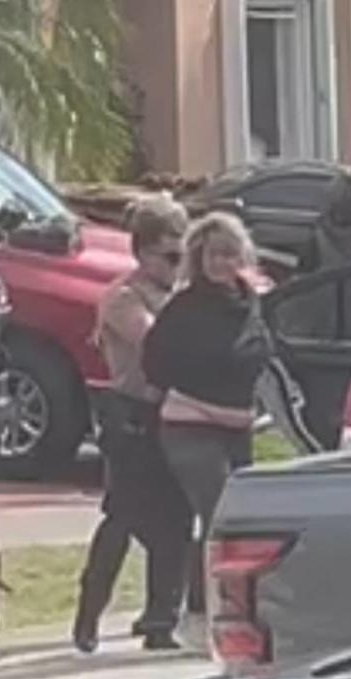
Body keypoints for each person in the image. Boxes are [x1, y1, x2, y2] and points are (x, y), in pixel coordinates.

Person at [73, 194, 193, 653]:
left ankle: (161, 619)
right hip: (131, 415)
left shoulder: (180, 295)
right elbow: (156, 341)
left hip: (174, 415)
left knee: (176, 522)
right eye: (171, 255)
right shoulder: (124, 297)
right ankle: (89, 614)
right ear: (143, 253)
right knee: (122, 516)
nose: (178, 266)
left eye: (184, 255)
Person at [144, 213, 273, 624]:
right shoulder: (184, 308)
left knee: (244, 517)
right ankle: (209, 611)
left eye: (231, 254)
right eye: (214, 255)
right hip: (190, 426)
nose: (223, 263)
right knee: (221, 514)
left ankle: (227, 604)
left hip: (238, 426)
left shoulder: (251, 303)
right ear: (199, 258)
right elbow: (155, 365)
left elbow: (264, 354)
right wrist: (200, 383)